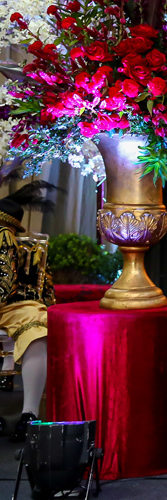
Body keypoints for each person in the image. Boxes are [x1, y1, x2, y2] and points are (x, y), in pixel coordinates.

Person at [0, 182, 58, 441]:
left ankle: (30, 414)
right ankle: (28, 415)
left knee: (37, 327)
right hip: (17, 306)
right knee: (37, 324)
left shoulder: (28, 249)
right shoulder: (24, 245)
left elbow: (43, 290)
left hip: (18, 306)